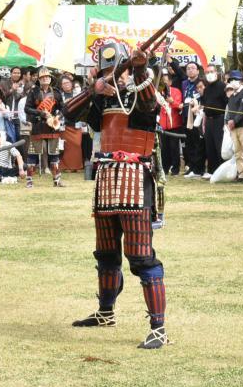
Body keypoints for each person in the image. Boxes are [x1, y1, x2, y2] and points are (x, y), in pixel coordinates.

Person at [62, 41, 168, 349]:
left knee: (141, 257)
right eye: (108, 72)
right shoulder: (102, 99)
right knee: (106, 253)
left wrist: (139, 68)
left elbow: (147, 102)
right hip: (106, 180)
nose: (114, 77)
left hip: (135, 181)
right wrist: (94, 89)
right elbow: (69, 112)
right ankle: (105, 312)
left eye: (117, 71)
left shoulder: (142, 92)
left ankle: (158, 328)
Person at [24, 69, 64, 188]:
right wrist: (40, 113)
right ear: (39, 80)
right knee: (33, 153)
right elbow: (27, 108)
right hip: (38, 126)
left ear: (50, 79)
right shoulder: (33, 92)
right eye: (42, 77)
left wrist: (58, 117)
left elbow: (63, 108)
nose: (45, 79)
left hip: (52, 127)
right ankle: (29, 181)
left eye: (47, 77)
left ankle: (57, 180)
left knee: (54, 154)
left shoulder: (56, 92)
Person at [199, 65, 227, 177]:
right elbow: (205, 103)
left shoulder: (223, 86)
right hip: (209, 120)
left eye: (211, 71)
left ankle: (222, 171)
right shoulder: (206, 89)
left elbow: (227, 103)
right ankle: (212, 170)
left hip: (220, 118)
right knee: (209, 146)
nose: (209, 74)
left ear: (216, 73)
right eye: (207, 72)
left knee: (219, 145)